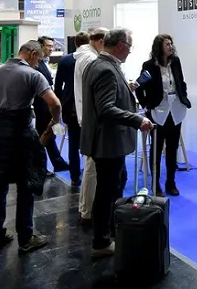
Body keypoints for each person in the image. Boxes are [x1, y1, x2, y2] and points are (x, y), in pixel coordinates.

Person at [0, 40, 61, 254]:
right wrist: (54, 122)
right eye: (39, 60)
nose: (38, 64)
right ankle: (25, 238)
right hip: (21, 134)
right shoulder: (33, 75)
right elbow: (54, 103)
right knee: (25, 186)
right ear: (32, 54)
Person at [81, 28, 154, 258]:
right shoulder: (105, 69)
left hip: (108, 142)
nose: (130, 51)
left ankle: (109, 232)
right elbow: (106, 109)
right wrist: (137, 119)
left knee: (114, 185)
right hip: (108, 142)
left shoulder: (101, 64)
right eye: (130, 46)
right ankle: (101, 242)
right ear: (121, 45)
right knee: (107, 191)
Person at [136, 35, 191, 197]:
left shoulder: (176, 62)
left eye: (171, 43)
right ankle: (156, 184)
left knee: (173, 147)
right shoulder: (149, 66)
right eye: (167, 44)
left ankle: (171, 182)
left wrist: (183, 96)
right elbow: (139, 86)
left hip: (176, 110)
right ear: (159, 47)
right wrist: (146, 104)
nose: (170, 46)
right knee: (157, 148)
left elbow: (181, 82)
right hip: (158, 111)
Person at [73, 27, 107, 224]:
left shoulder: (85, 57)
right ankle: (87, 211)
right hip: (93, 120)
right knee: (92, 167)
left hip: (88, 117)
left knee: (91, 166)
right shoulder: (90, 60)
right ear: (101, 42)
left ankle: (86, 208)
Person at [54, 32, 89, 186]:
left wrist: (59, 105)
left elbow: (58, 85)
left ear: (75, 43)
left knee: (73, 142)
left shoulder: (65, 60)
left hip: (70, 105)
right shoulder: (91, 59)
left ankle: (74, 176)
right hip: (87, 105)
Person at [34, 35, 69, 174]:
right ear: (40, 47)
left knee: (48, 135)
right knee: (45, 135)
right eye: (48, 46)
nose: (51, 49)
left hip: (46, 105)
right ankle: (40, 166)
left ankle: (56, 163)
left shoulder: (44, 63)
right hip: (43, 105)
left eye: (52, 46)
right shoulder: (37, 65)